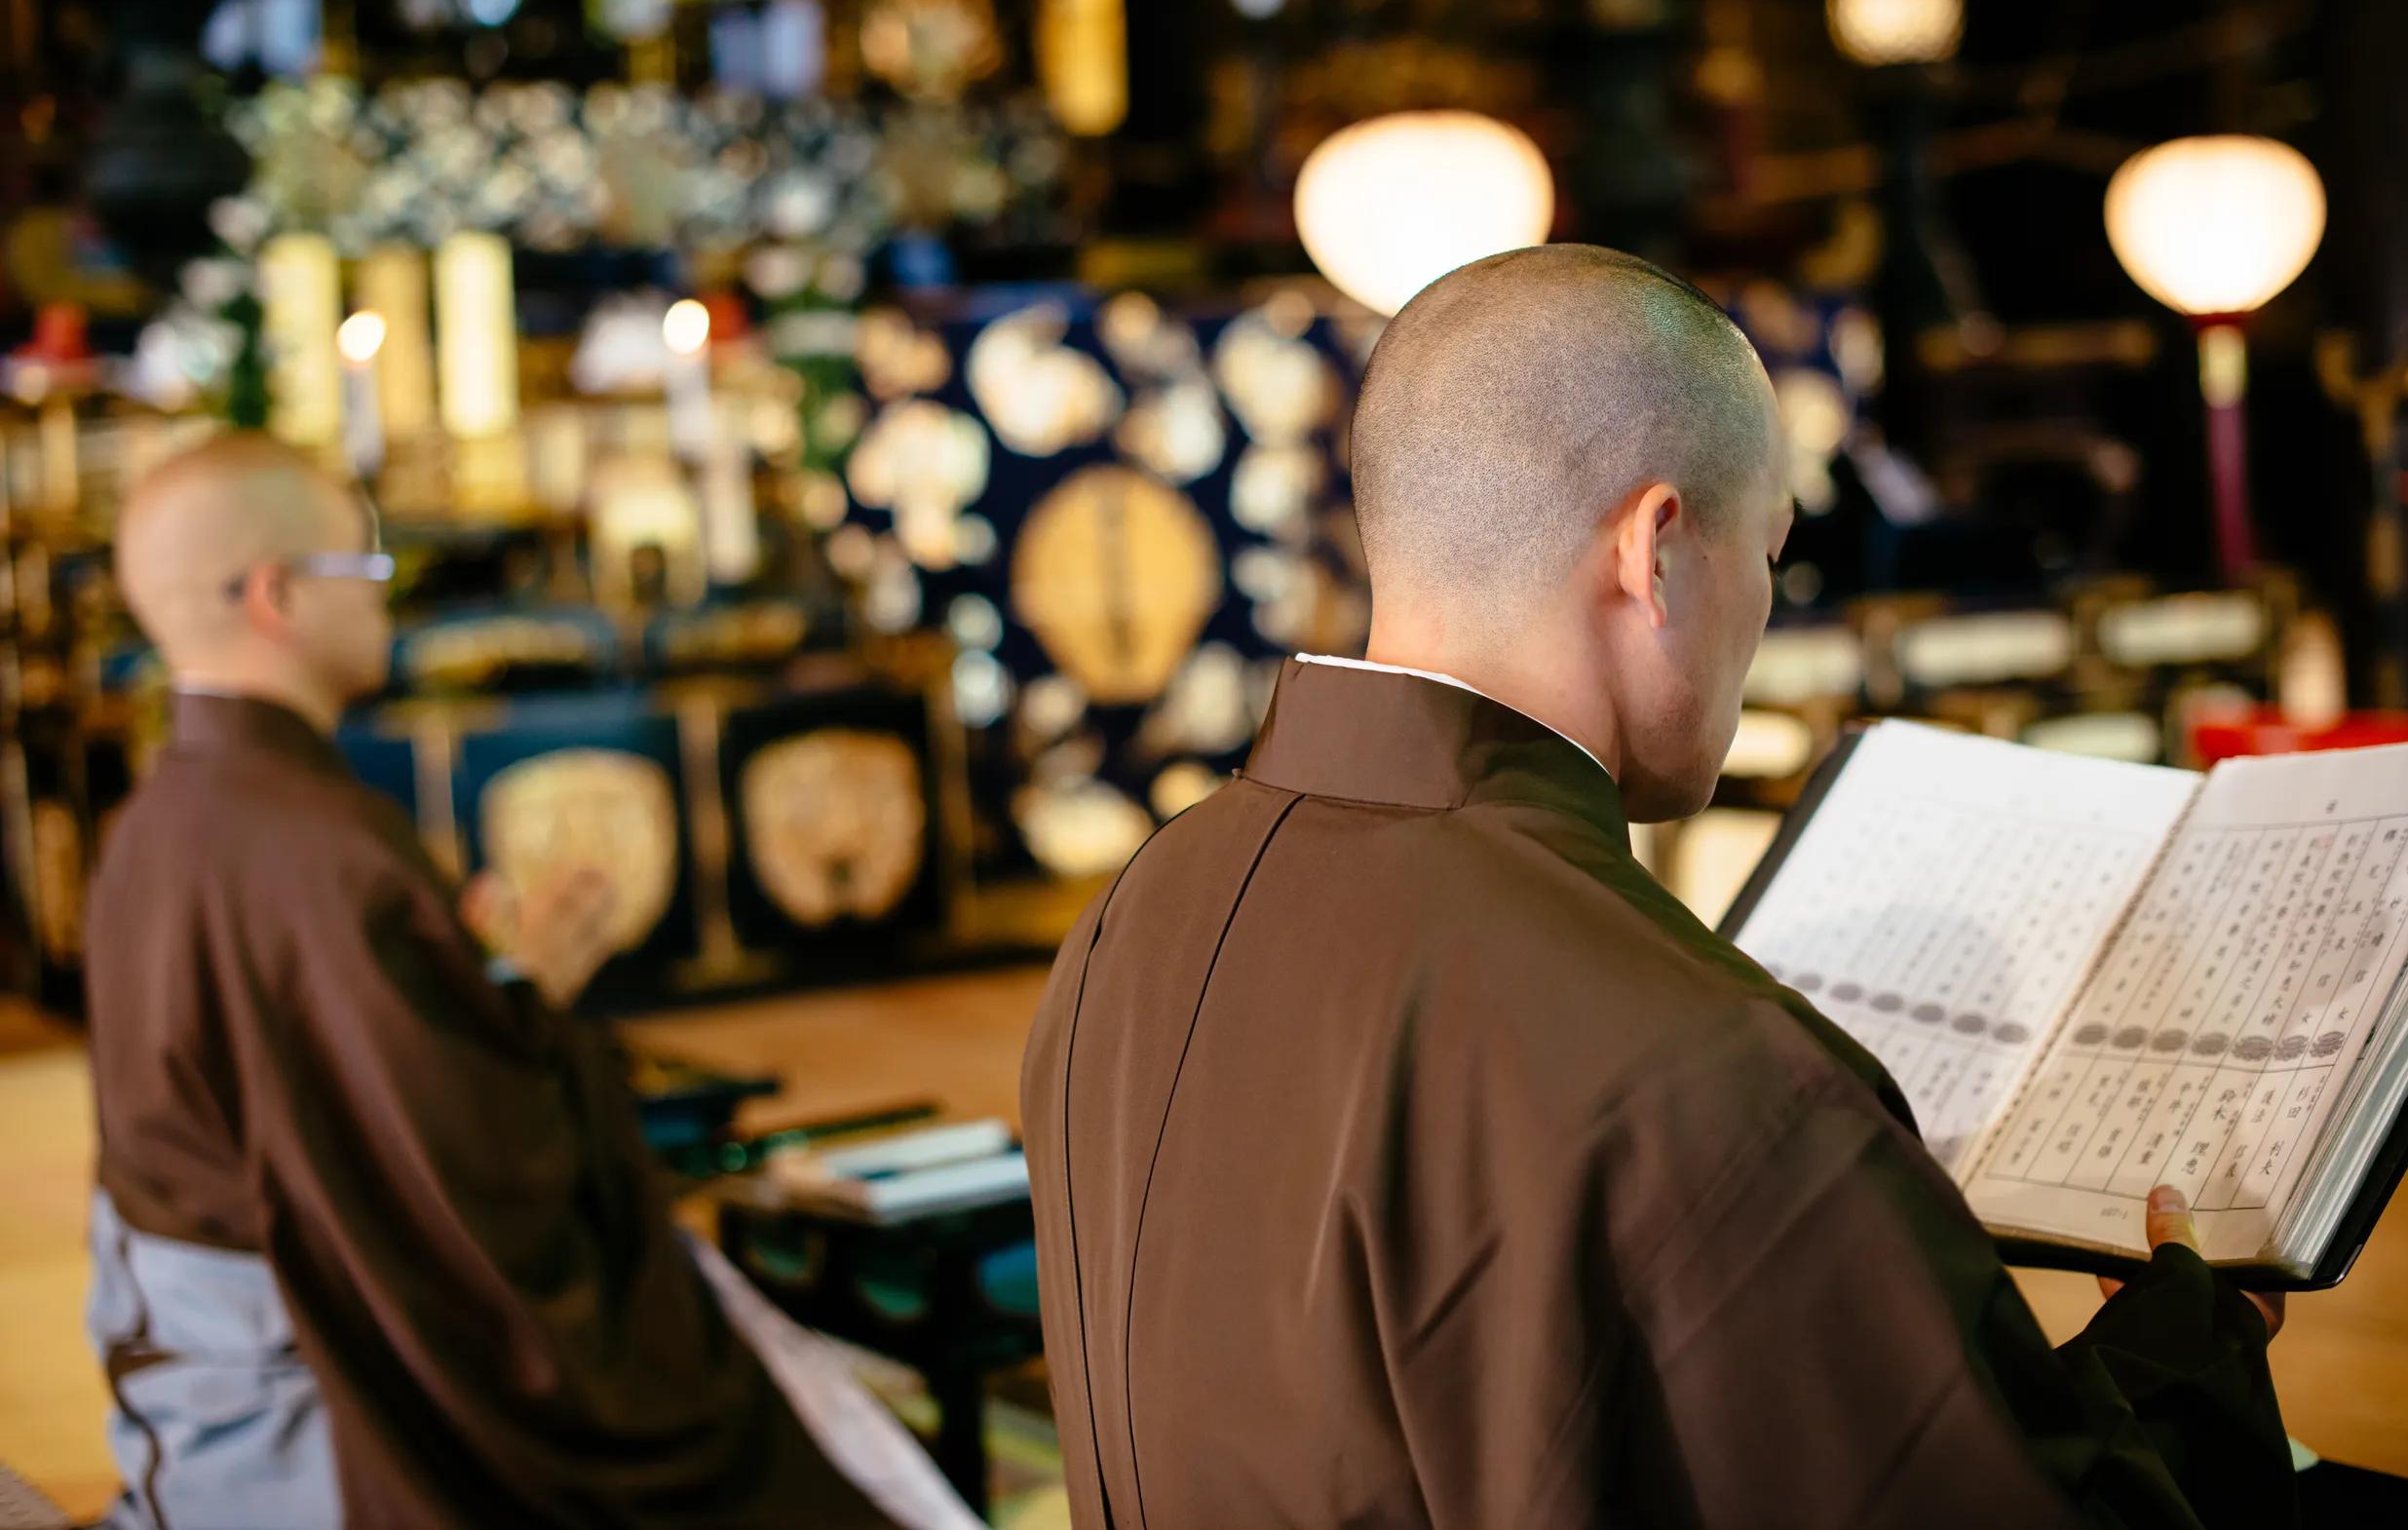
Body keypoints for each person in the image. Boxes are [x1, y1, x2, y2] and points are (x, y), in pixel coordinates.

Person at [1021, 246, 2294, 1529]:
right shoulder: (1709, 1073)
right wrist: (2188, 1365)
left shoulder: (1135, 912)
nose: (1762, 612)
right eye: (1770, 555)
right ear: (1658, 550)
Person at [84, 436, 892, 1528]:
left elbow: (338, 1118)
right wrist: (528, 1012)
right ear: (276, 595)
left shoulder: (165, 818)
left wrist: (494, 985)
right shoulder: (318, 857)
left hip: (200, 1365)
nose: (385, 606)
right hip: (311, 1408)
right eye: (364, 572)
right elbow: (460, 1202)